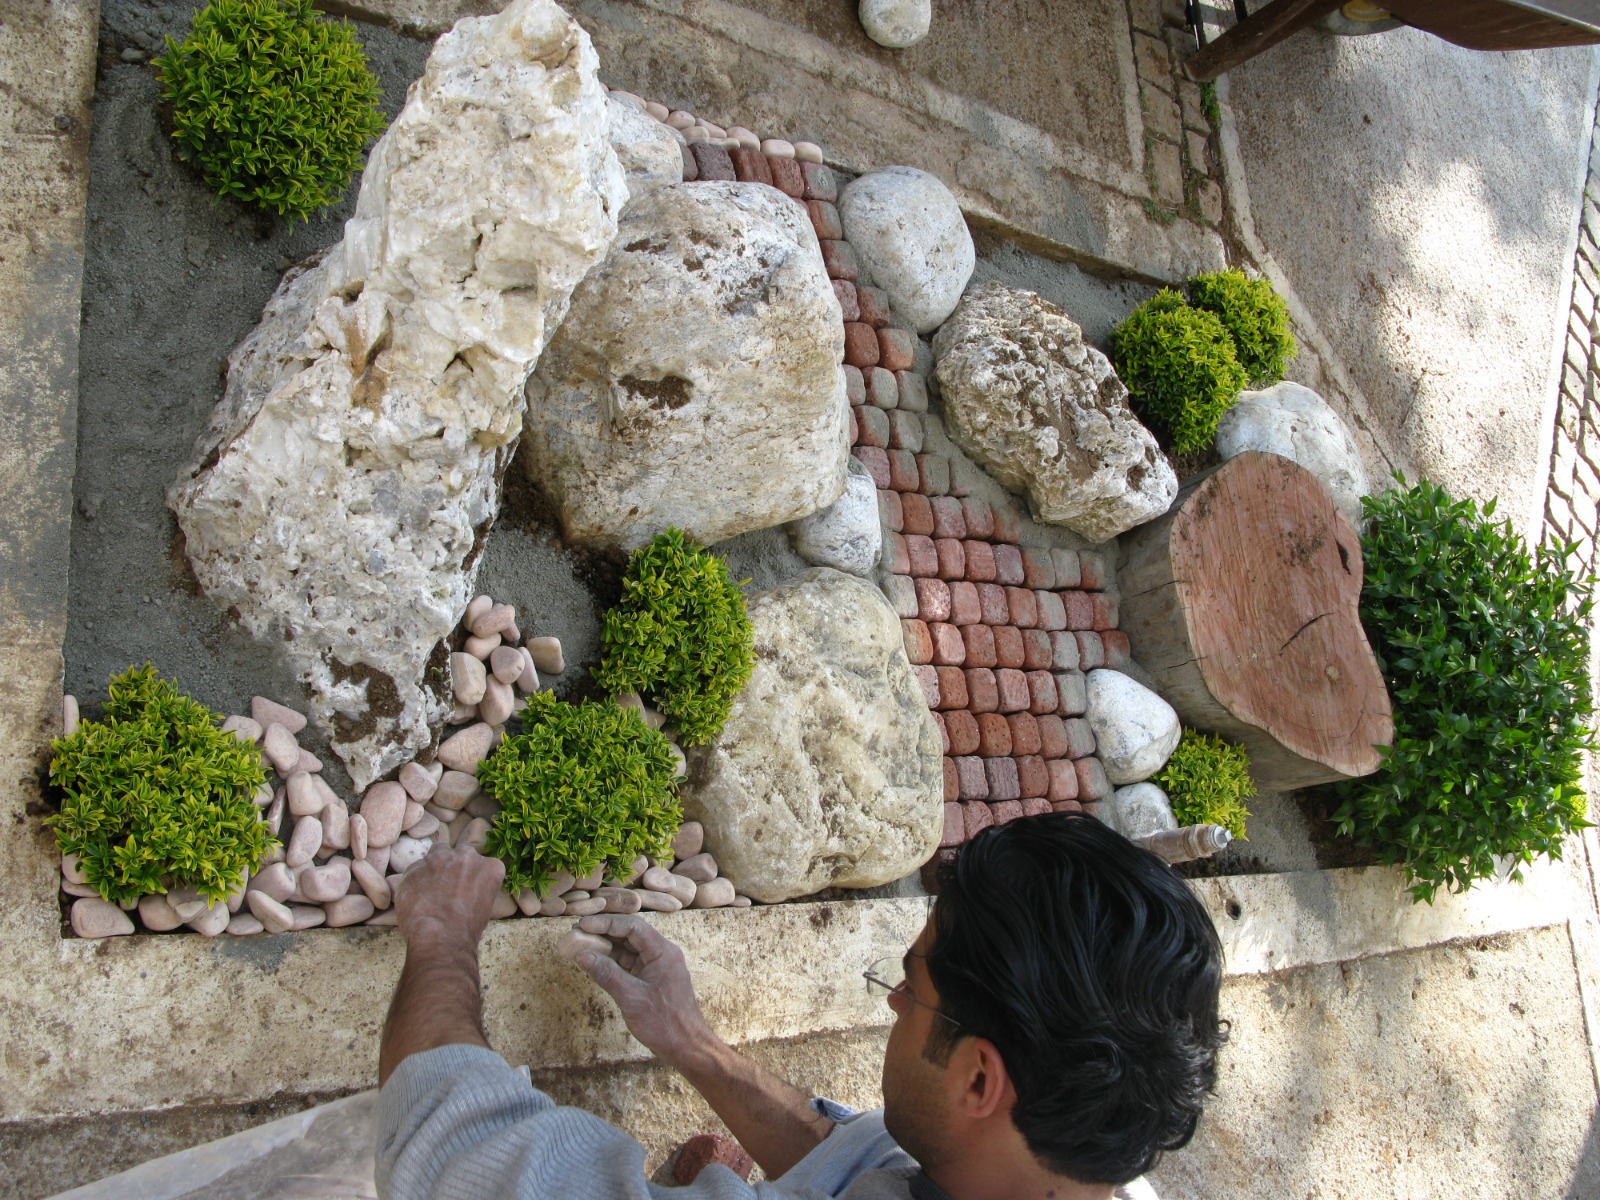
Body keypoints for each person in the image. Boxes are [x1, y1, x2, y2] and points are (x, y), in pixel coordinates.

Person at [376, 811, 1227, 1199]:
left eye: (913, 988)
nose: (894, 1002)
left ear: (978, 1079)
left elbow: (452, 1152)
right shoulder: (1078, 1165)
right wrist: (690, 1041)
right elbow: (852, 1156)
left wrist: (446, 941)